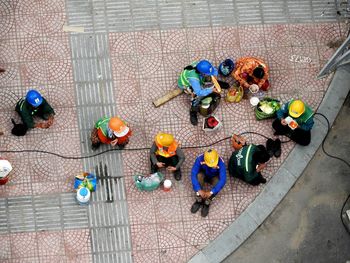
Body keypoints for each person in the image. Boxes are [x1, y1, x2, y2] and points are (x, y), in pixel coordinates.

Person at [178, 60, 226, 126]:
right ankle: (193, 112)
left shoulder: (202, 65)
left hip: (200, 77)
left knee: (209, 78)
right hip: (187, 85)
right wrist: (211, 90)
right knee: (195, 97)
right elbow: (199, 92)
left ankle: (217, 83)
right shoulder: (194, 79)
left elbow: (213, 70)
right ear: (202, 74)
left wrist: (215, 80)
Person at [190, 149, 226, 217]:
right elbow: (193, 173)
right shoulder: (200, 159)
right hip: (203, 175)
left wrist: (211, 192)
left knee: (218, 182)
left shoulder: (221, 162)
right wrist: (198, 189)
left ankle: (207, 202)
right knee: (198, 176)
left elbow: (223, 179)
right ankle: (199, 199)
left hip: (213, 177)